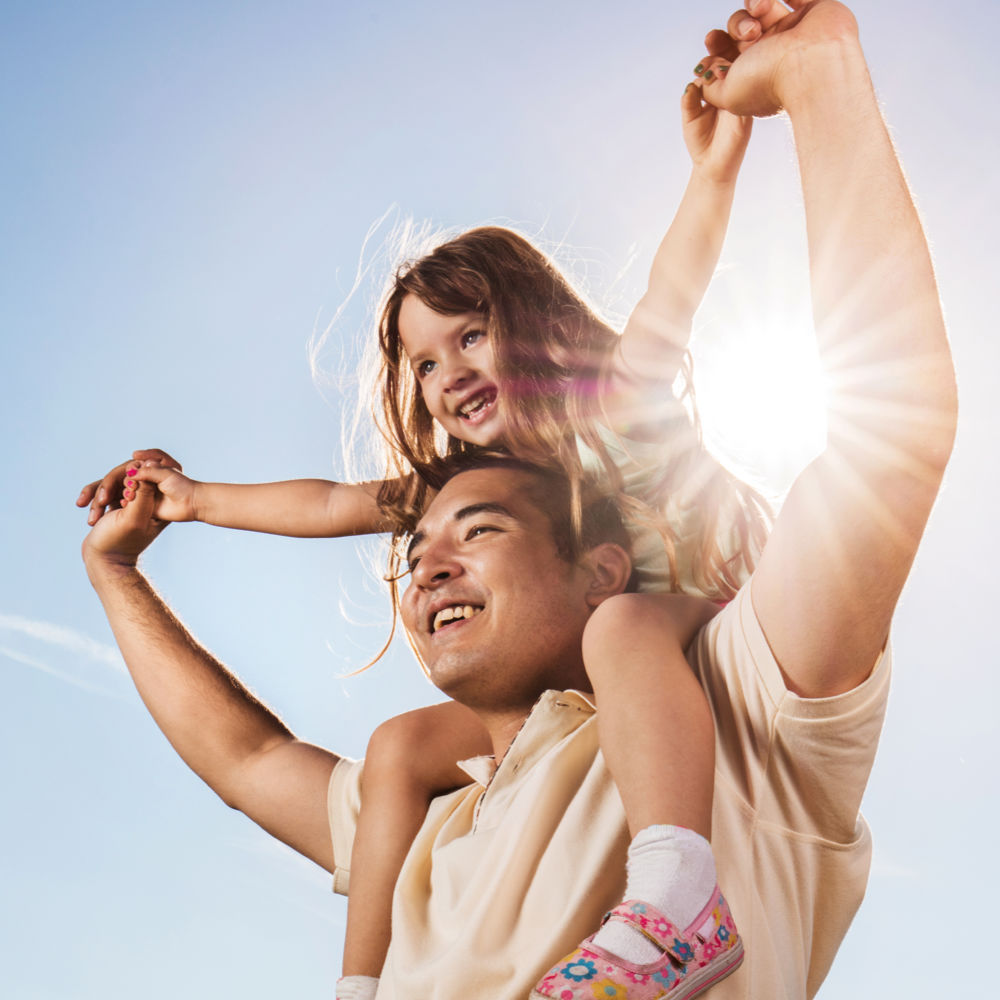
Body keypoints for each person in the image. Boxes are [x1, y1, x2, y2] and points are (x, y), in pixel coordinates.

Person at [79, 1, 958, 997]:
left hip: (663, 634)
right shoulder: (444, 508)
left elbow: (846, 406)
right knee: (399, 740)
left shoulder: (623, 432)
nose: (446, 372)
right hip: (585, 680)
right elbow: (260, 724)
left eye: (469, 335)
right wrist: (181, 509)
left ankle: (674, 894)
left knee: (624, 632)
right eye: (421, 361)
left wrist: (723, 163)